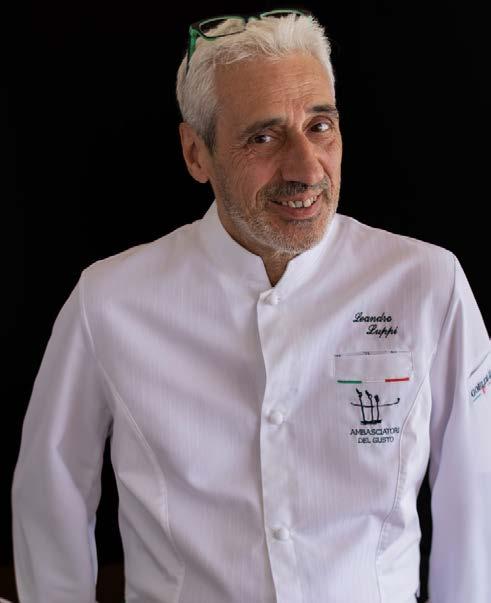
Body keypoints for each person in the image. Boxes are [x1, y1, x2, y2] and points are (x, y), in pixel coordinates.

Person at [11, 9, 490, 603]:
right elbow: (50, 492)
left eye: (320, 126)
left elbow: (475, 497)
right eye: (263, 137)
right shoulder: (108, 301)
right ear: (196, 154)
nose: (306, 169)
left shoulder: (428, 283)